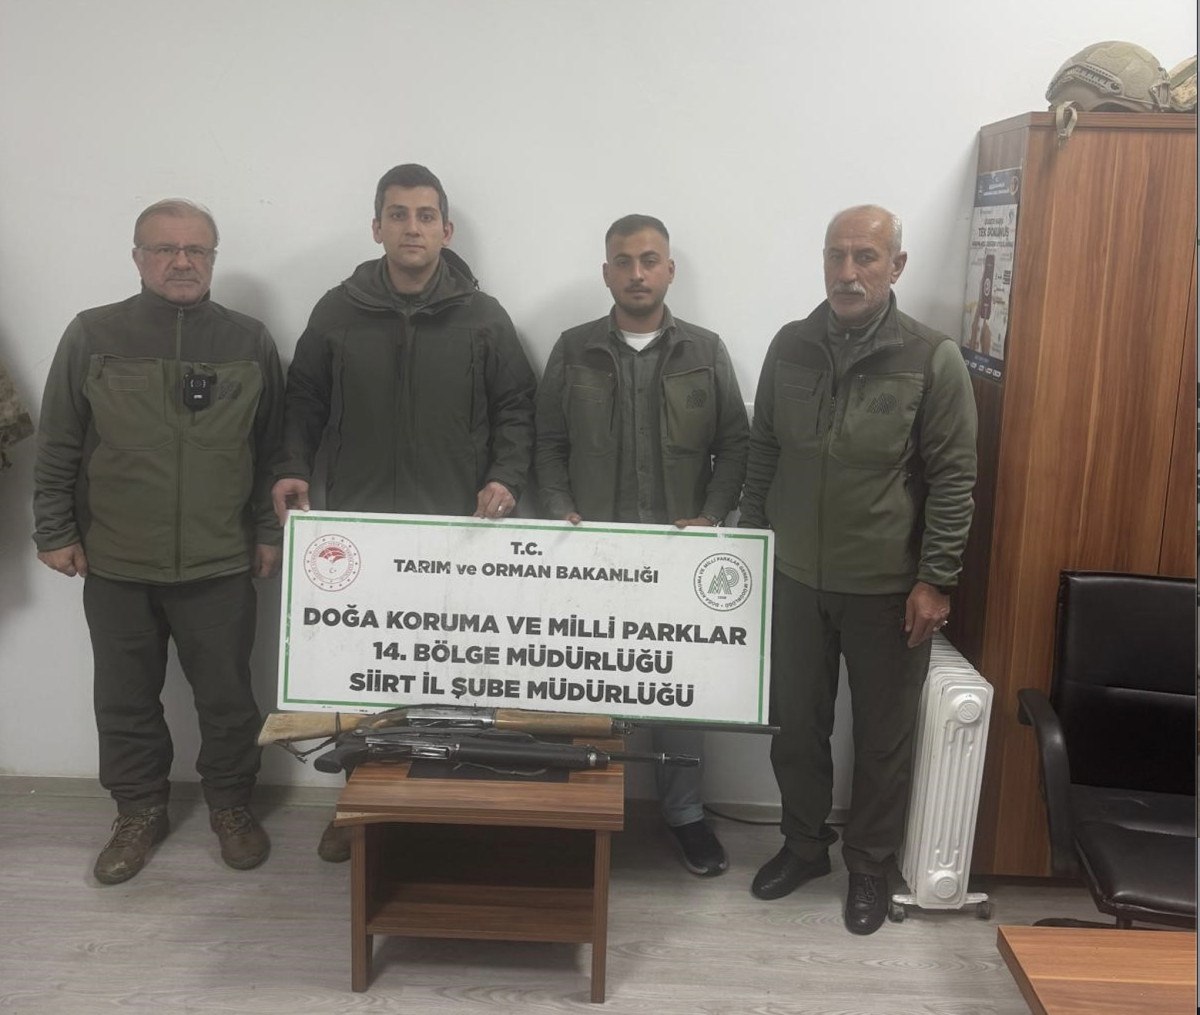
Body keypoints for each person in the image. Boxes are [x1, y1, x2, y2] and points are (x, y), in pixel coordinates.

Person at [273, 164, 536, 862]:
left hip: (455, 534)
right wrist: (292, 465)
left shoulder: (484, 317)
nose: (411, 228)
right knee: (359, 674)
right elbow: (303, 400)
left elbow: (517, 407)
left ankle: (442, 806)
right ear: (377, 227)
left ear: (445, 230)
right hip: (359, 532)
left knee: (449, 675)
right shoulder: (337, 311)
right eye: (398, 214)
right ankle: (359, 806)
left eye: (424, 216)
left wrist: (505, 476)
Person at [740, 205, 977, 934]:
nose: (847, 273)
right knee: (796, 727)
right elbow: (764, 450)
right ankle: (803, 846)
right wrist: (748, 548)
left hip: (887, 588)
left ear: (896, 266)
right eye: (835, 256)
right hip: (794, 578)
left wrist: (936, 579)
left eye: (866, 257)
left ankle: (869, 865)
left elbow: (955, 478)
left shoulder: (931, 357)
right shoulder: (790, 345)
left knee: (882, 737)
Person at [33, 199, 284, 884]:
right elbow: (58, 441)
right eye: (165, 249)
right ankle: (138, 810)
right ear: (138, 257)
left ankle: (231, 805)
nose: (181, 261)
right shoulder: (93, 334)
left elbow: (274, 451)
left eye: (196, 250)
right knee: (125, 700)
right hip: (116, 560)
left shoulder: (249, 340)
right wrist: (54, 530)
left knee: (228, 700)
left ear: (212, 258)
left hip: (220, 560)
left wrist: (268, 533)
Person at [535, 214, 749, 876]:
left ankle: (685, 814)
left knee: (678, 688)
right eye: (624, 261)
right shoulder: (573, 349)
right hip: (592, 556)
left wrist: (712, 517)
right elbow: (548, 443)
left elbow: (735, 443)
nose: (637, 273)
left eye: (649, 260)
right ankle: (581, 812)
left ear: (669, 270)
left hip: (678, 558)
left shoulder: (705, 351)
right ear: (606, 273)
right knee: (586, 680)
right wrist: (560, 510)